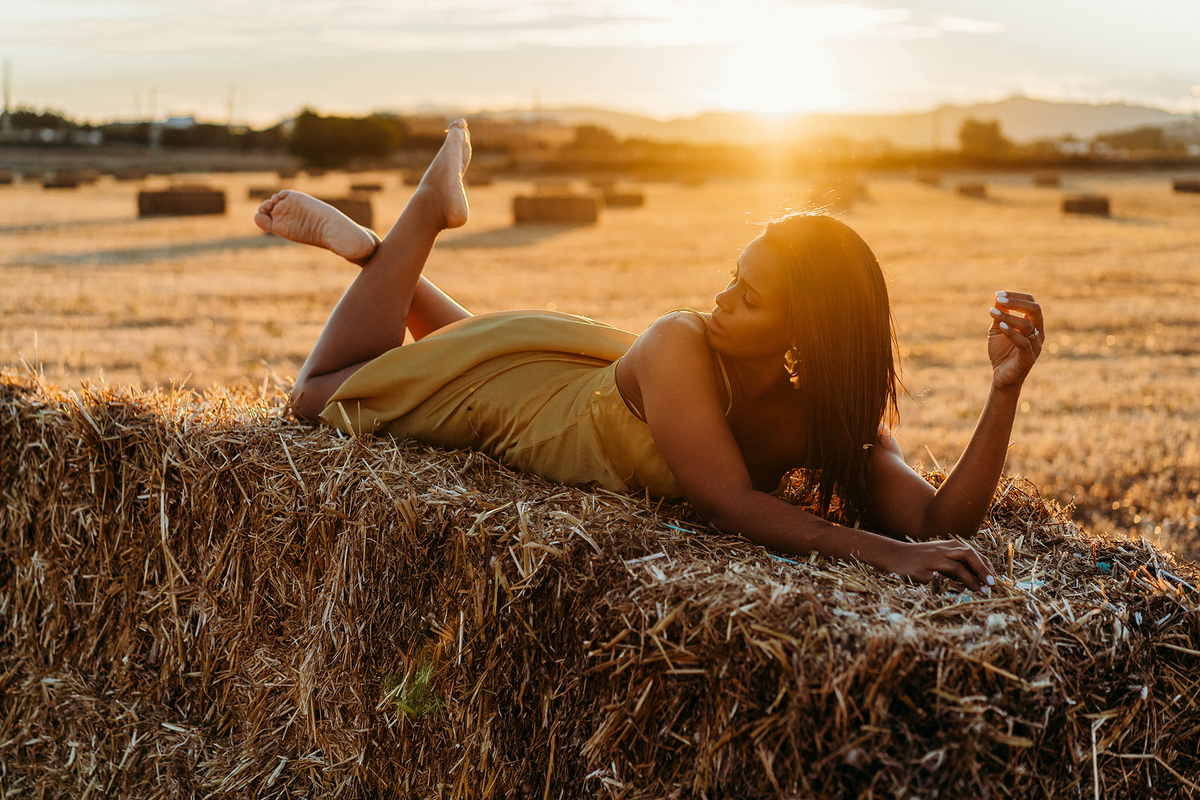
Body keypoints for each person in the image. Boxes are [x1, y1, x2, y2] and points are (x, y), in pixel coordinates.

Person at [255, 120, 1044, 592]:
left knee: (461, 351)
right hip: (535, 409)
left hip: (552, 386)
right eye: (733, 277)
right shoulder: (681, 339)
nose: (723, 297)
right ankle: (428, 208)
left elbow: (939, 522)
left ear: (806, 334)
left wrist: (1003, 390)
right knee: (318, 398)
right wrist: (886, 561)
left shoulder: (826, 418)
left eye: (751, 295)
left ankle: (375, 257)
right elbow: (727, 503)